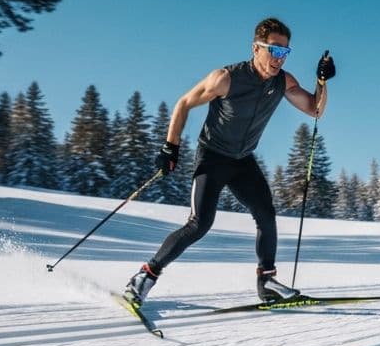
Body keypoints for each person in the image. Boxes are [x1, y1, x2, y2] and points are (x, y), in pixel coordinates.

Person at [124, 17, 335, 306]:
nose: (279, 59)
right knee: (199, 224)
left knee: (266, 213)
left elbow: (315, 110)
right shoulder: (226, 77)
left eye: (285, 52)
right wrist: (170, 147)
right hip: (213, 156)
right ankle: (144, 277)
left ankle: (267, 282)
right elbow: (184, 103)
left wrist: (321, 81)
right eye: (274, 50)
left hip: (243, 160)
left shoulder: (283, 81)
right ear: (256, 47)